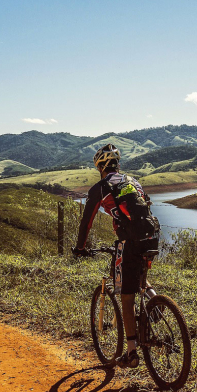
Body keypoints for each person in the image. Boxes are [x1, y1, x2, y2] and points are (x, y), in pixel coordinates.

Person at [72, 144, 158, 369]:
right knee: (139, 277)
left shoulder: (100, 188)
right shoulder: (133, 181)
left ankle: (131, 353)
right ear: (117, 164)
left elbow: (86, 222)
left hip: (128, 242)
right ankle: (156, 302)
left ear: (99, 167)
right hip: (151, 236)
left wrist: (80, 248)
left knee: (126, 297)